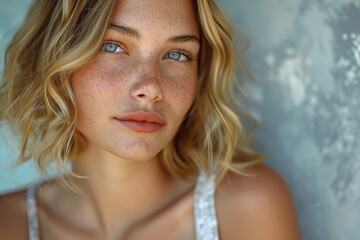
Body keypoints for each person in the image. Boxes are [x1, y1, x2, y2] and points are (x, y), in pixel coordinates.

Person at [0, 0, 302, 239]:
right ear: (56, 58)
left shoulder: (249, 207)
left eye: (177, 54)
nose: (151, 88)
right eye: (112, 46)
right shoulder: (8, 224)